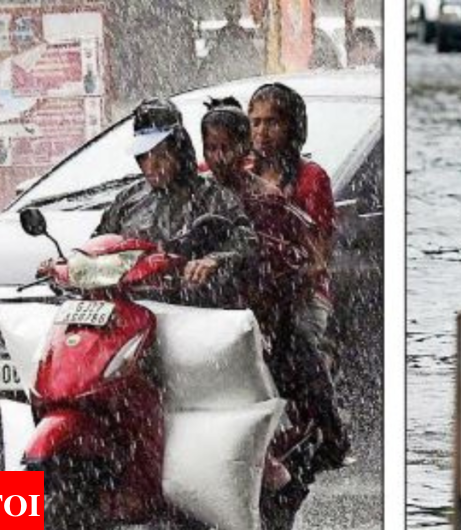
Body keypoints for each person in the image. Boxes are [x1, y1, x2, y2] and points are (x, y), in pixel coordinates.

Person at [248, 83, 351, 475]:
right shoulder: (138, 201)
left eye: (272, 122)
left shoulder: (310, 179)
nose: (261, 132)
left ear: (293, 127)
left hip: (297, 293)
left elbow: (318, 252)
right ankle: (35, 529)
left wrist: (293, 279)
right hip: (249, 292)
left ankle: (329, 430)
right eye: (254, 122)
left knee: (298, 347)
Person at [94, 98, 257, 307]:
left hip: (191, 311)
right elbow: (99, 244)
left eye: (161, 154)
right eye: (143, 156)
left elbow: (245, 240)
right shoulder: (128, 199)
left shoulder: (214, 196)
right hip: (130, 309)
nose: (152, 164)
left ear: (179, 150)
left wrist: (215, 260)